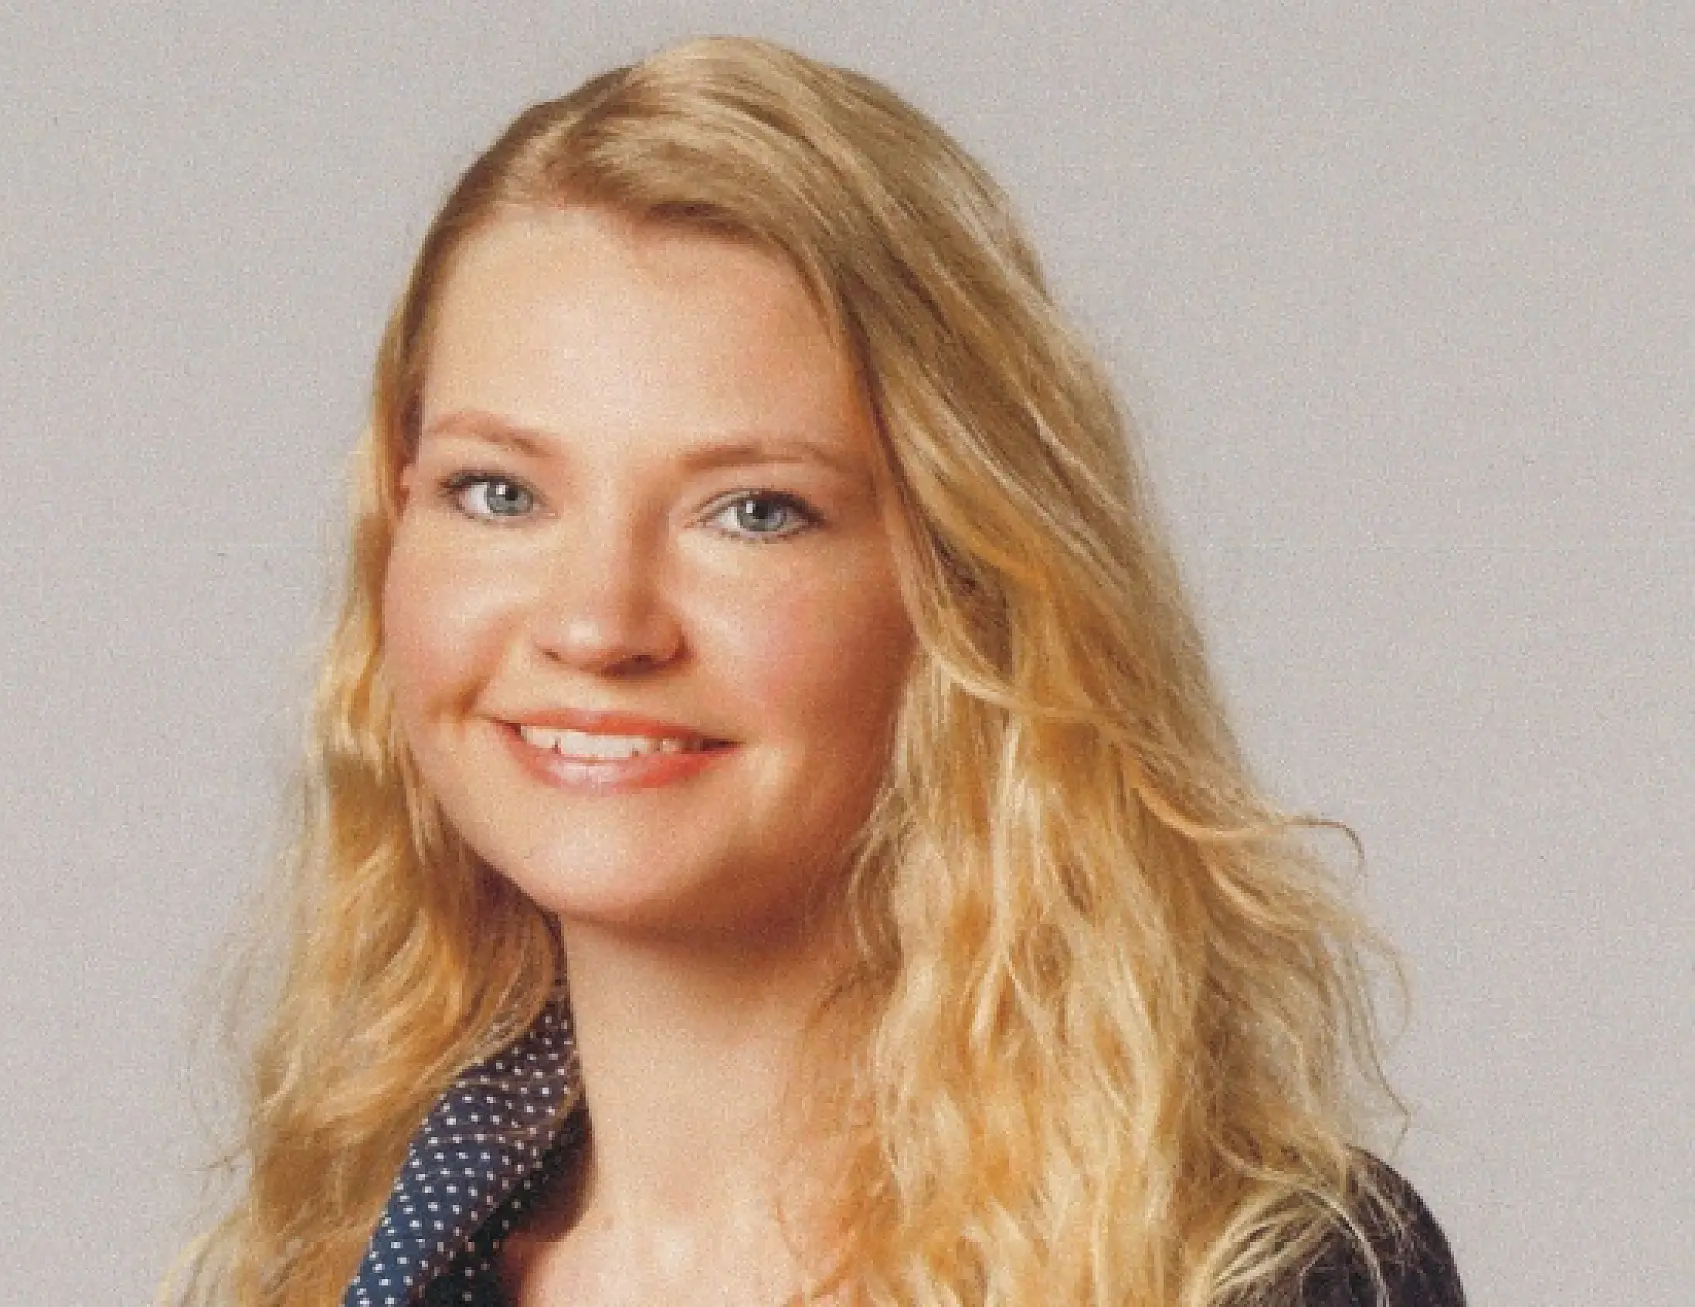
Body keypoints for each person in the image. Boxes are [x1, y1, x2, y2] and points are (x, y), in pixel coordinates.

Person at [169, 35, 1464, 1307]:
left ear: (968, 584)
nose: (599, 622)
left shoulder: (1248, 1274)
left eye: (753, 511)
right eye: (499, 491)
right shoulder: (334, 1267)